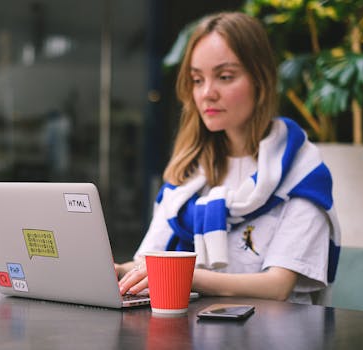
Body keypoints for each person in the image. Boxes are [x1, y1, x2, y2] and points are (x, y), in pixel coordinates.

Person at [115, 11, 341, 304]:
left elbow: (277, 286)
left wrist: (183, 275)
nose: (207, 93)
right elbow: (151, 266)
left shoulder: (302, 173)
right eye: (197, 80)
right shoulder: (188, 176)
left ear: (260, 81)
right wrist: (119, 271)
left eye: (224, 77)